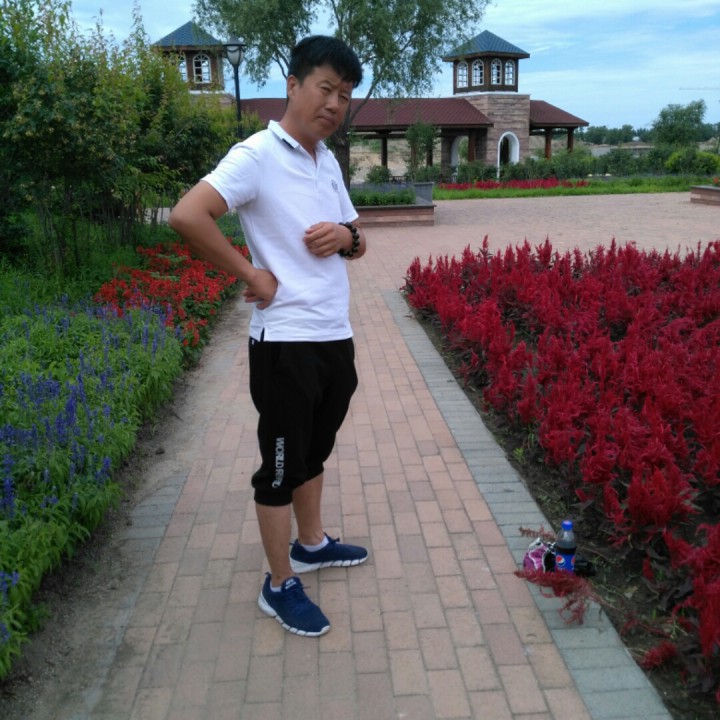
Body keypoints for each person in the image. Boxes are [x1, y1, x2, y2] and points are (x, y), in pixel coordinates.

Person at [168, 35, 368, 637]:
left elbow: (357, 237)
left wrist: (347, 237)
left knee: (314, 451)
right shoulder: (256, 154)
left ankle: (311, 544)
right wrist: (251, 274)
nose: (334, 104)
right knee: (280, 468)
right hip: (284, 344)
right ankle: (279, 584)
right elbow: (188, 214)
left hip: (334, 334)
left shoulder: (326, 160)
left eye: (344, 95)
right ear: (293, 85)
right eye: (325, 88)